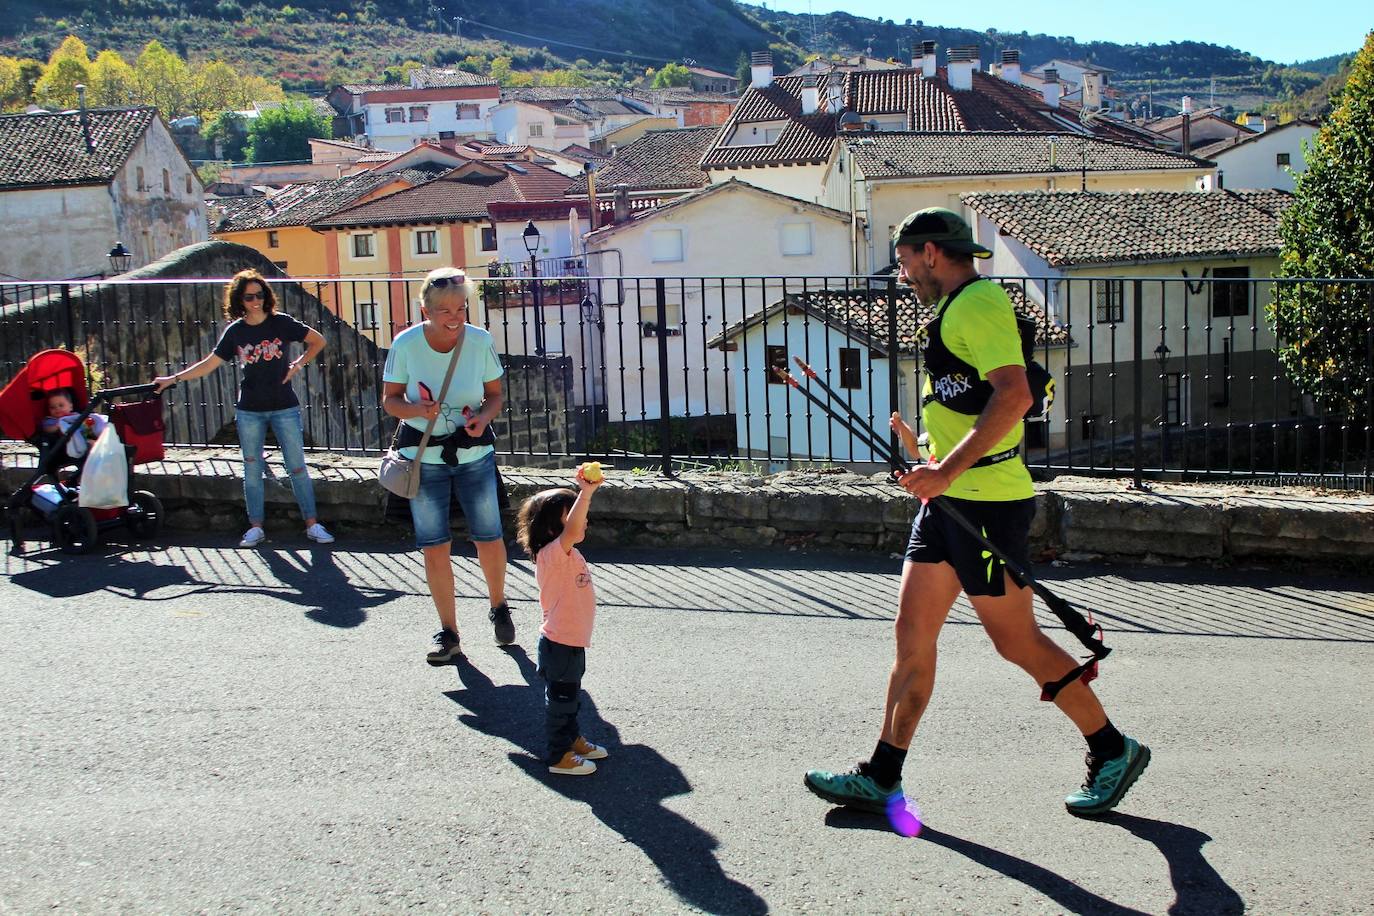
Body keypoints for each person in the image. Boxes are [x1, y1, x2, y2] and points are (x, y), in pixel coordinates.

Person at [804, 208, 1149, 821]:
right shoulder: (954, 309)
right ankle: (881, 776)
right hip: (950, 502)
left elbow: (1015, 396)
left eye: (907, 260)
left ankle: (1113, 748)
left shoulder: (977, 303)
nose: (904, 273)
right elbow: (978, 405)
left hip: (986, 507)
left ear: (931, 253)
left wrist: (945, 472)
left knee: (1016, 642)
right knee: (911, 638)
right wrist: (928, 453)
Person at [381, 266, 513, 664]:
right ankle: (449, 632)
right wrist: (417, 408)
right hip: (425, 459)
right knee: (434, 547)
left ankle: (499, 605)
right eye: (444, 310)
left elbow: (494, 396)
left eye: (461, 308)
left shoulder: (479, 341)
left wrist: (483, 418)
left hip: (474, 455)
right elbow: (390, 401)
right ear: (426, 309)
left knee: (489, 536)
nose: (455, 317)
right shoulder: (405, 345)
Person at [153, 269, 334, 548]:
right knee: (252, 468)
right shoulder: (236, 331)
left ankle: (312, 524)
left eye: (260, 295)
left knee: (297, 467)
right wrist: (172, 379)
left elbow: (317, 340)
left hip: (285, 406)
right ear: (240, 300)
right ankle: (256, 527)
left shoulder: (281, 323)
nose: (256, 301)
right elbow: (210, 364)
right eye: (249, 297)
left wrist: (297, 365)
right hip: (249, 408)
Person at [515, 466, 608, 776]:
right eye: (574, 515)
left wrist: (583, 497)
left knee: (571, 698)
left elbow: (572, 528)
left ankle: (571, 740)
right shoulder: (552, 555)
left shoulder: (567, 553)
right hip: (559, 643)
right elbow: (571, 530)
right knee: (561, 702)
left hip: (571, 642)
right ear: (554, 529)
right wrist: (586, 491)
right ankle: (559, 756)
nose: (583, 521)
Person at [41, 388, 107, 458]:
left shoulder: (74, 415)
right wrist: (56, 426)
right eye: (52, 407)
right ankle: (91, 443)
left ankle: (94, 439)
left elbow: (83, 419)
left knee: (88, 420)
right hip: (67, 441)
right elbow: (46, 429)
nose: (57, 409)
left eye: (61, 405)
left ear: (70, 407)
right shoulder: (52, 420)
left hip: (83, 432)